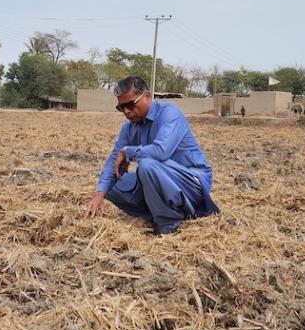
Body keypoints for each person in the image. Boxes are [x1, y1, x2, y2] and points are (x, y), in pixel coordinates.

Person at [85, 76, 219, 234]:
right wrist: (99, 195)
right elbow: (115, 159)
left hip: (192, 183)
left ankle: (168, 225)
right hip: (161, 179)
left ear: (147, 96)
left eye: (131, 104)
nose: (127, 111)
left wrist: (128, 152)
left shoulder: (169, 113)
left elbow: (161, 152)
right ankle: (159, 212)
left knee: (147, 165)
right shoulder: (129, 127)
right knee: (112, 183)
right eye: (121, 107)